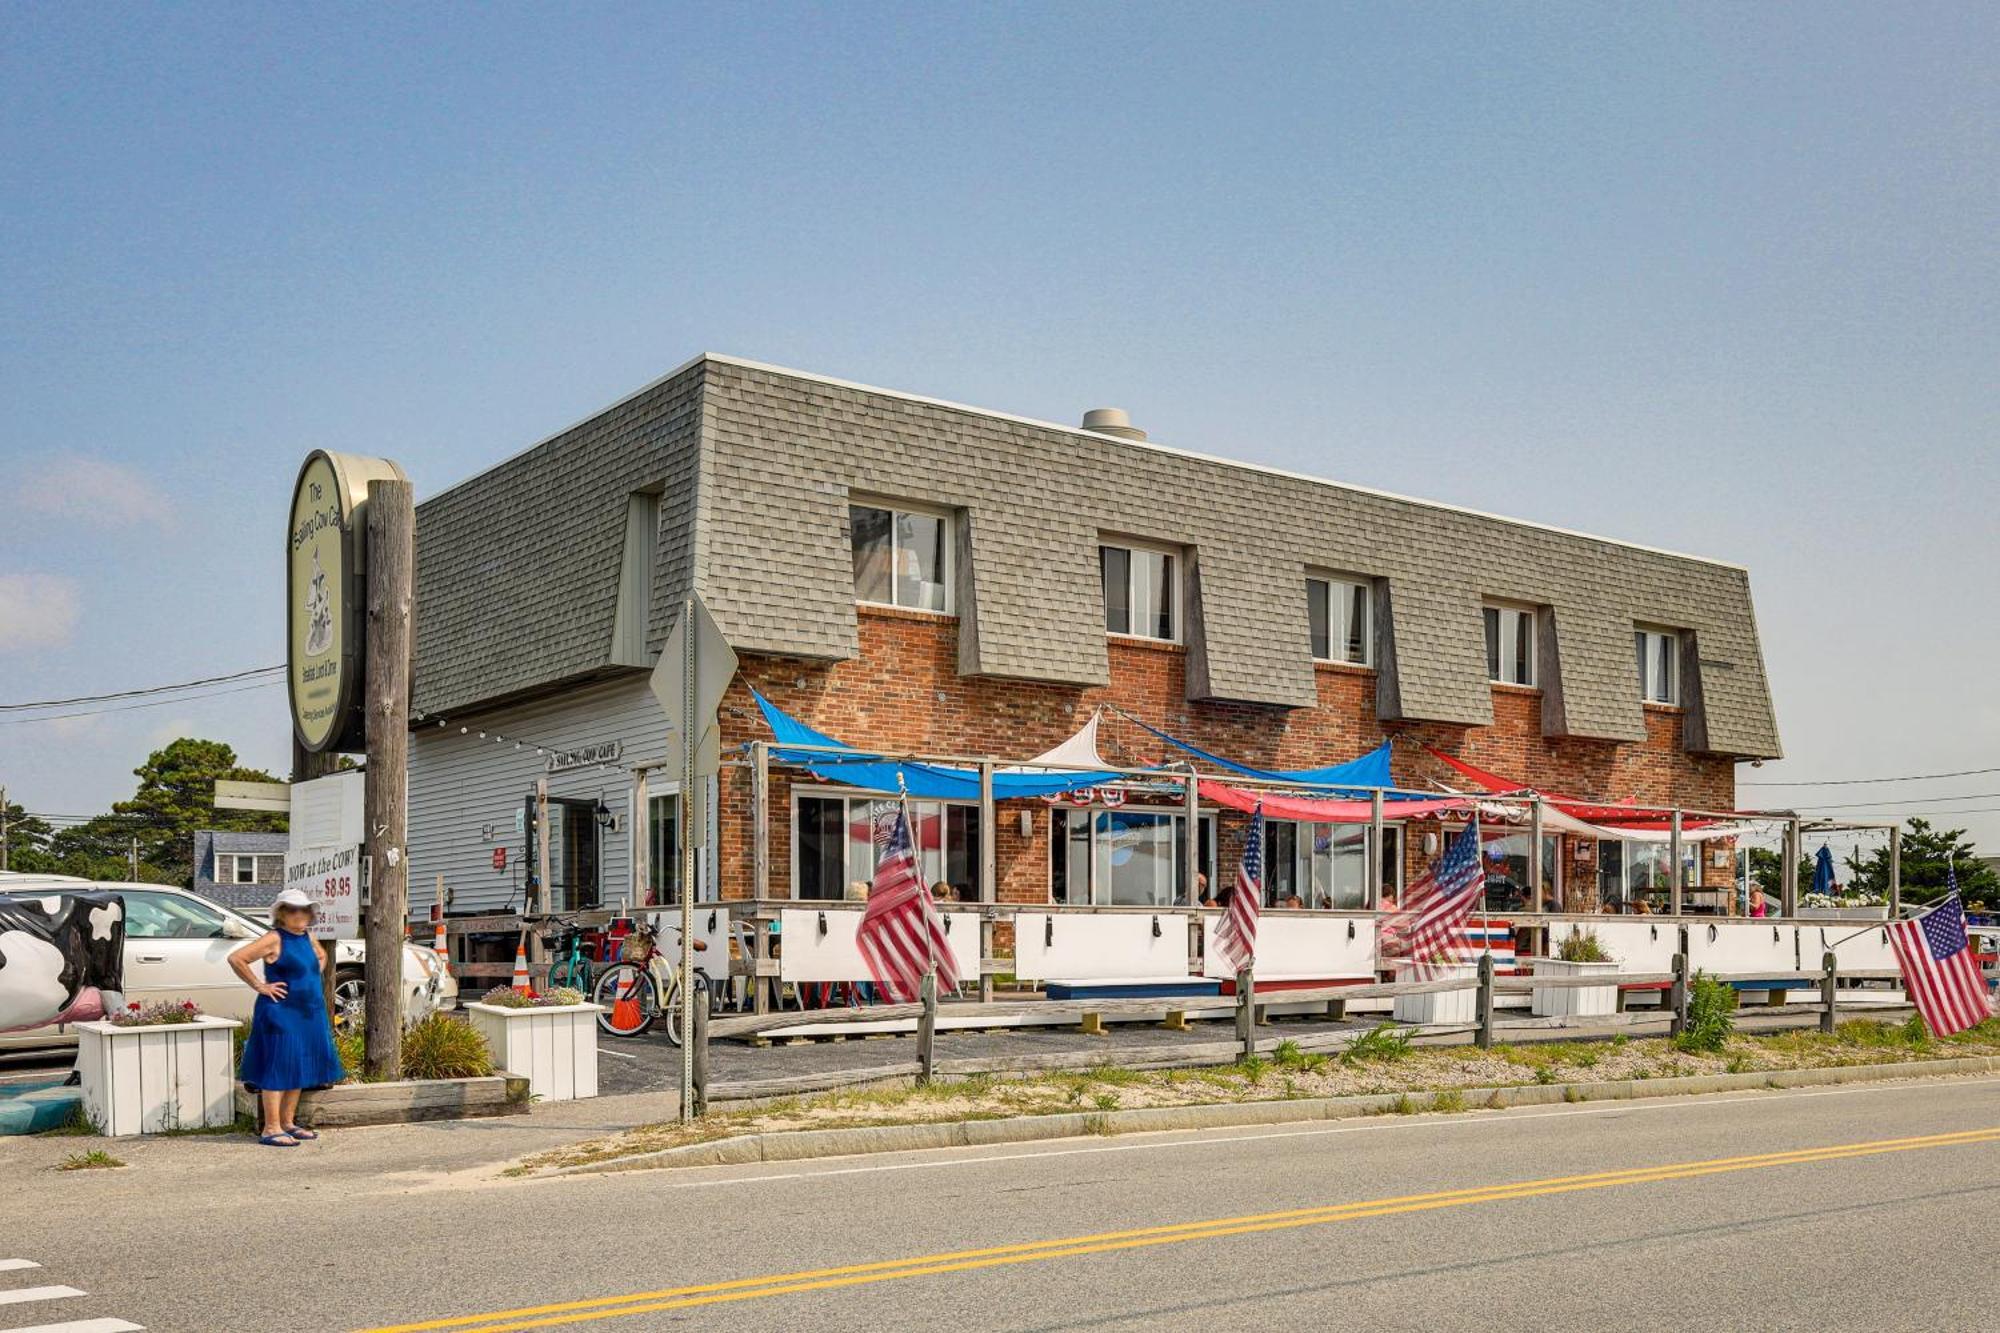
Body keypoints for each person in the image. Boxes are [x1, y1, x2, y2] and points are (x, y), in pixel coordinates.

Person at [230, 888, 345, 1147]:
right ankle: (271, 1128)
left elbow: (321, 956)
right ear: (281, 913)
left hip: (308, 1012)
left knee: (298, 1064)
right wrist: (261, 986)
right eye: (293, 909)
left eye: (304, 909)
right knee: (278, 1065)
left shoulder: (308, 936)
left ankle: (288, 1122)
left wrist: (310, 982)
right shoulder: (274, 938)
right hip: (280, 1011)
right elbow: (237, 958)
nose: (300, 914)